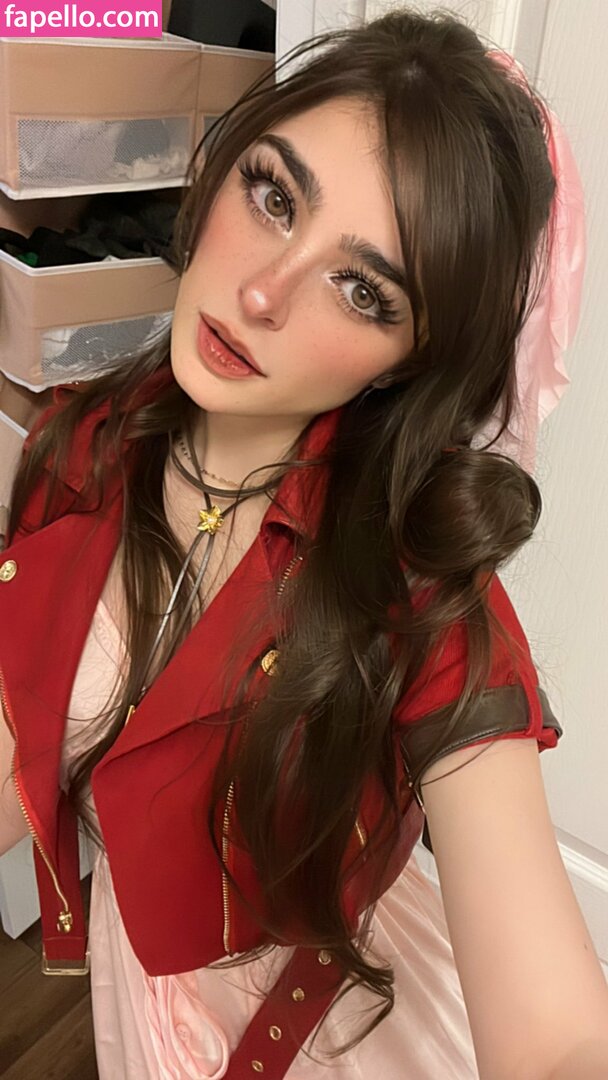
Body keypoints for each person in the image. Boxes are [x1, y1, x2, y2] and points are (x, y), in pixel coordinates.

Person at [1, 8, 607, 1079]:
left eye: (362, 288)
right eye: (275, 196)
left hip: (332, 1035)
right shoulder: (79, 444)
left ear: (409, 360)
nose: (261, 292)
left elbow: (557, 1037)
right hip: (137, 991)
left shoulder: (412, 594)